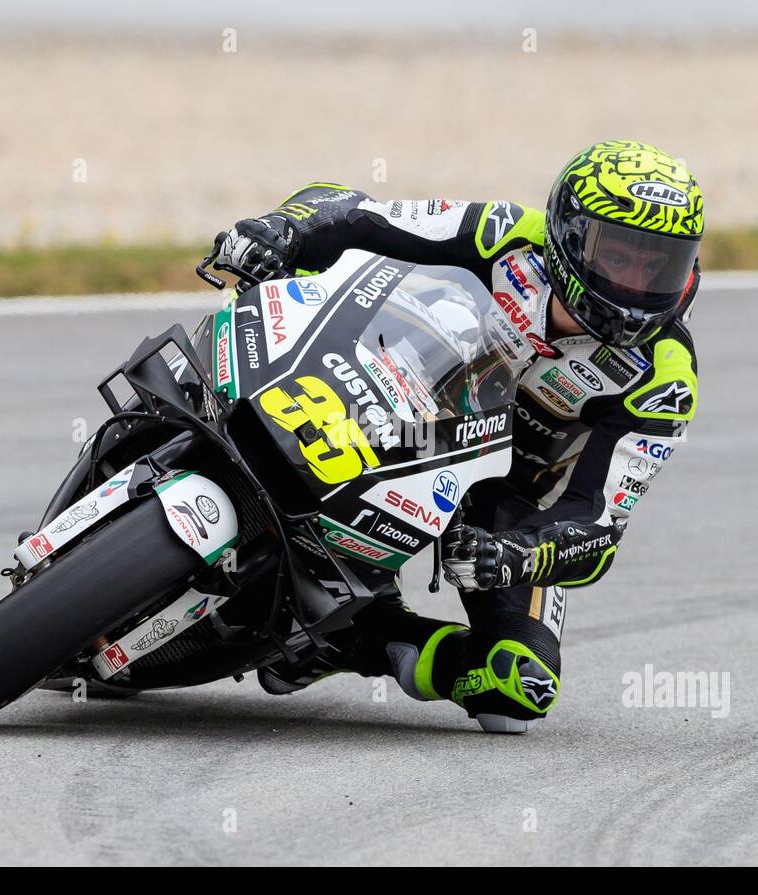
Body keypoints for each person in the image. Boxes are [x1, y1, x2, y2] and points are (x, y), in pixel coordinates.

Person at [215, 140, 703, 733]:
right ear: (570, 238)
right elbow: (357, 214)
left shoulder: (665, 375)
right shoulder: (506, 236)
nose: (637, 281)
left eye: (659, 264)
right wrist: (280, 232)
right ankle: (189, 410)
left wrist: (520, 554)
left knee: (517, 683)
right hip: (396, 403)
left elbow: (598, 525)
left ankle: (350, 636)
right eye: (621, 256)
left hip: (507, 496)